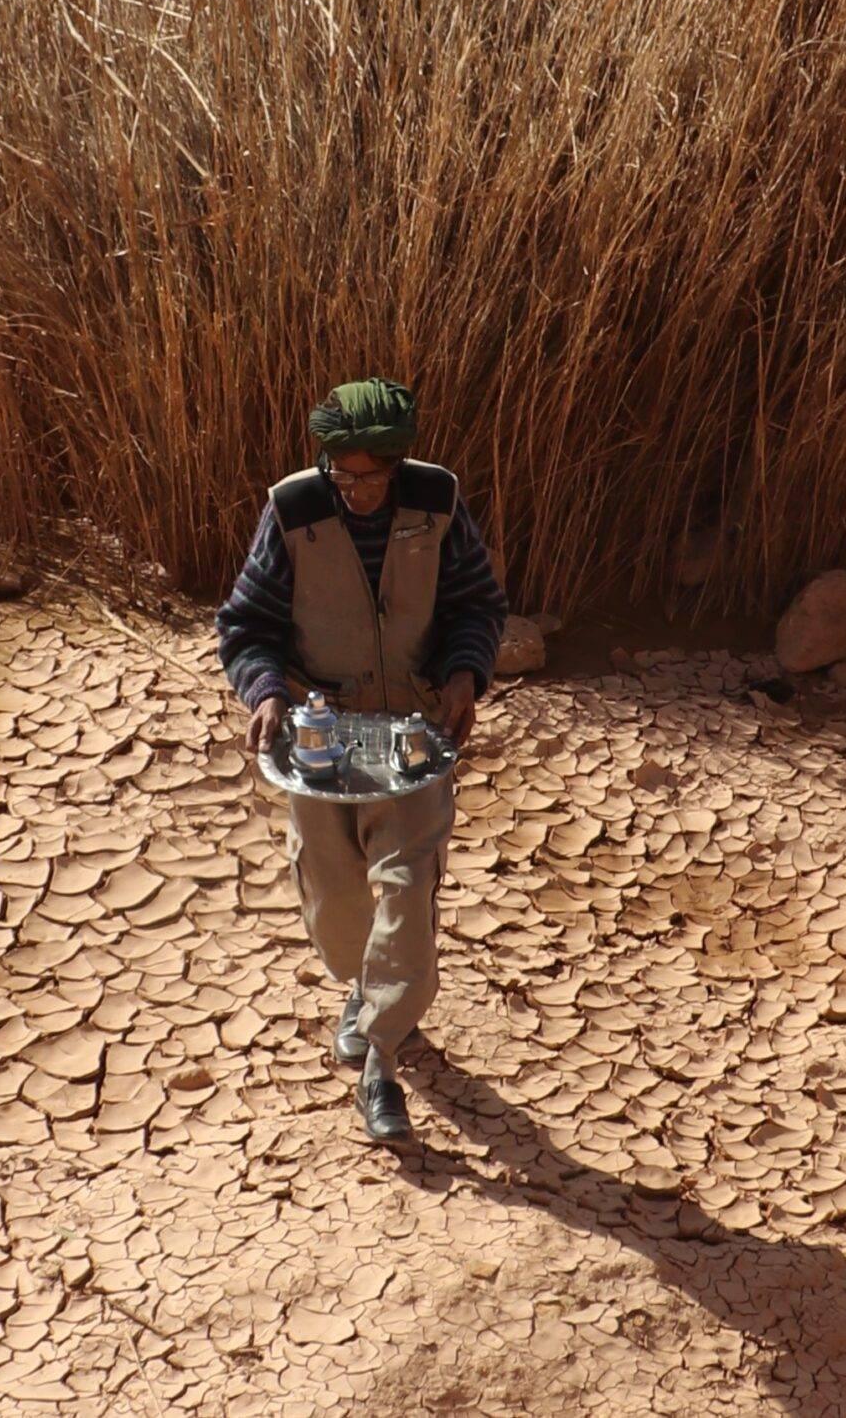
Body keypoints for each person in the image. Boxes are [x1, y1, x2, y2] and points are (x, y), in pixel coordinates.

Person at [215, 378, 508, 1144]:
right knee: (337, 904)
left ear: (398, 464)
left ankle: (380, 1059)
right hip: (321, 741)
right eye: (344, 476)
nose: (359, 492)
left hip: (413, 736)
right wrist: (266, 694)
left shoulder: (437, 505)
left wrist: (463, 675)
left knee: (406, 892)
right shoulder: (294, 512)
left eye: (373, 477)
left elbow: (478, 604)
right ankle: (363, 990)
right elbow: (245, 626)